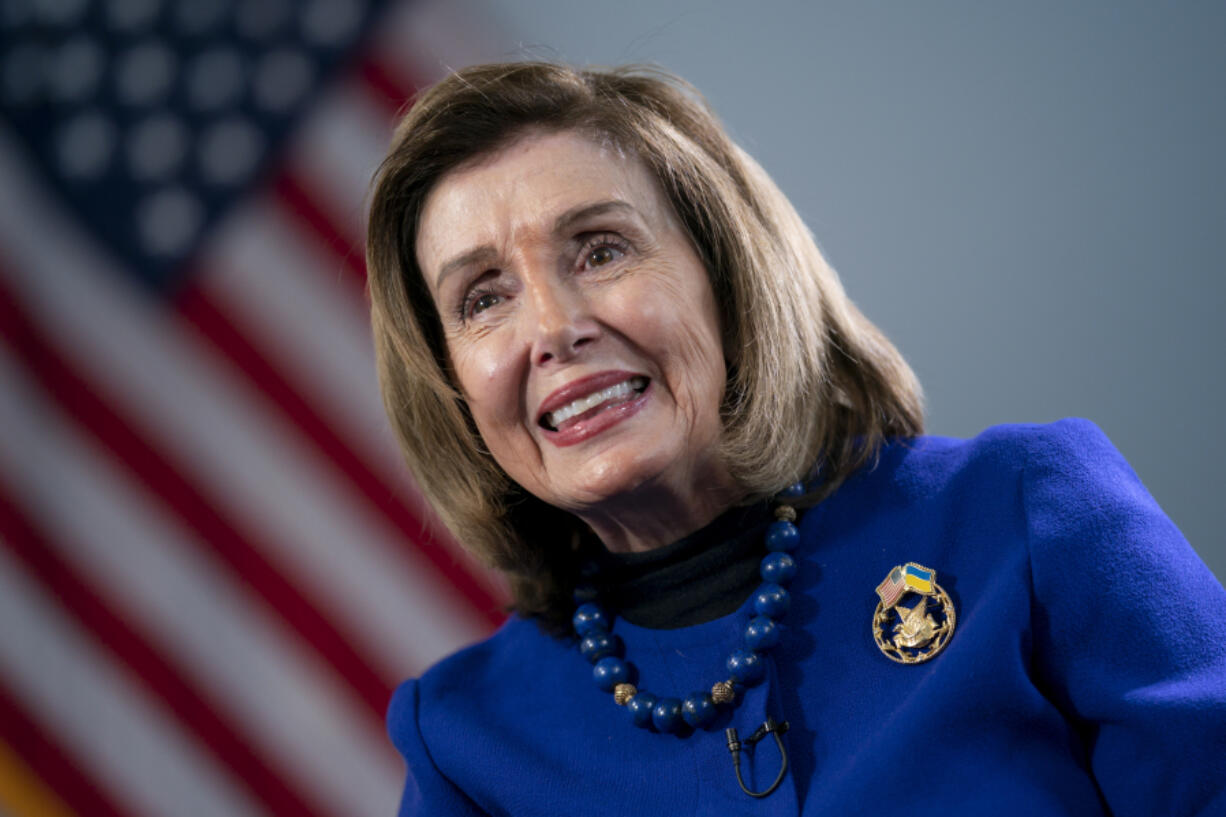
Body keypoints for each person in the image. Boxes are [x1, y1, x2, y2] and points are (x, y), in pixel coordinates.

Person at [365, 62, 1226, 816]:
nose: (553, 328)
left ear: (729, 280)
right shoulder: (464, 744)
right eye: (483, 298)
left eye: (600, 250)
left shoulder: (1024, 513)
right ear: (452, 385)